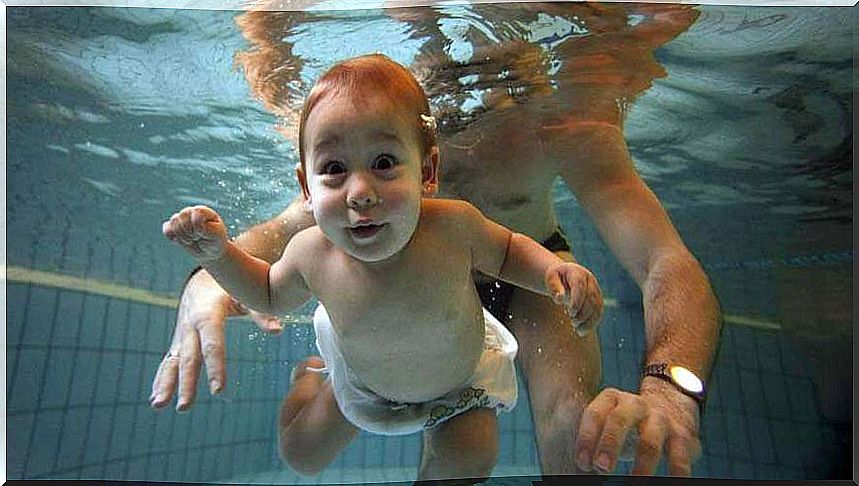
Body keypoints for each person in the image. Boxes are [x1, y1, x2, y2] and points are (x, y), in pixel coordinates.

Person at [151, 2, 722, 477]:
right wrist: (203, 283)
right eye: (432, 21)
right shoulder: (377, 131)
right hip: (384, 312)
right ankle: (323, 375)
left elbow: (664, 262)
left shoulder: (563, 125)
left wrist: (671, 388)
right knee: (303, 457)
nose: (467, 51)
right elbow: (271, 241)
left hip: (524, 271)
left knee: (574, 434)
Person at [161, 53, 604, 481]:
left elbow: (507, 252)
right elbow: (267, 294)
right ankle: (311, 377)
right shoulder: (310, 252)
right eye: (334, 168)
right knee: (301, 456)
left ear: (427, 171)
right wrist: (218, 256)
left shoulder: (453, 226)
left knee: (470, 460)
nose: (360, 192)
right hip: (363, 380)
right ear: (306, 187)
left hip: (461, 384)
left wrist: (552, 271)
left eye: (384, 163)